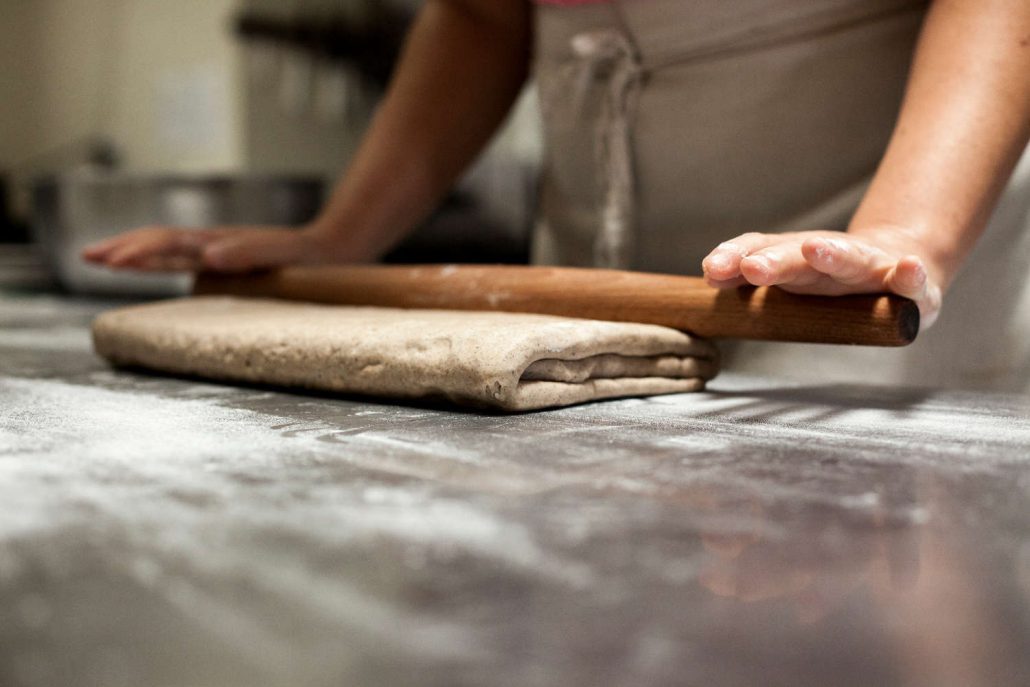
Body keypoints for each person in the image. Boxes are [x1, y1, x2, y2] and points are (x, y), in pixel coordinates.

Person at [84, 0, 1030, 390]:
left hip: (875, 267)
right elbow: (483, 11)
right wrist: (342, 236)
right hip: (596, 279)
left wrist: (906, 234)